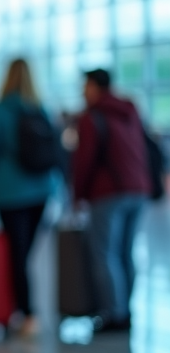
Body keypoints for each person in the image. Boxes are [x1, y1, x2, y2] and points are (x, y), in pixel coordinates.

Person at [0, 59, 55, 338]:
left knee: (16, 254)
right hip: (42, 190)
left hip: (11, 191)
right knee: (26, 252)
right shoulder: (41, 109)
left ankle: (24, 311)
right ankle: (23, 309)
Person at [72, 68, 150, 334]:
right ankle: (125, 310)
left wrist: (77, 194)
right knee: (126, 252)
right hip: (138, 189)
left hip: (108, 192)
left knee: (104, 253)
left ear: (95, 87)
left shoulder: (91, 117)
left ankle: (113, 313)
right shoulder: (130, 111)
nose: (82, 91)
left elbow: (85, 161)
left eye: (85, 85)